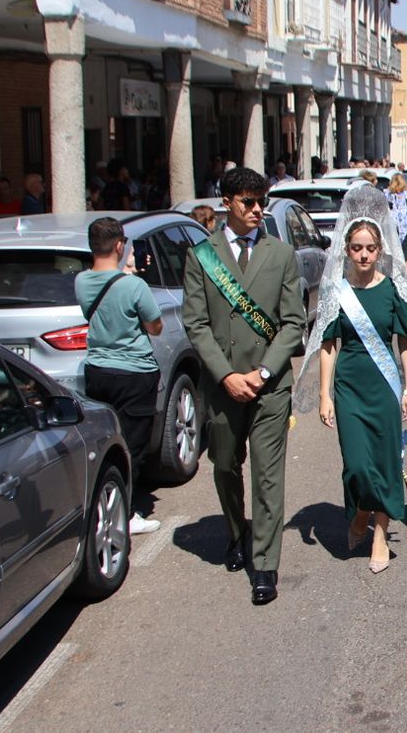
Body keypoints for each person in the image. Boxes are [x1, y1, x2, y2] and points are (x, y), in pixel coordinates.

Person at [181, 167, 308, 606]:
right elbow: (195, 324)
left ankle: (266, 565)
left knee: (268, 477)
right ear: (227, 203)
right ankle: (237, 530)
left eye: (261, 202)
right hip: (224, 384)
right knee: (224, 466)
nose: (257, 211)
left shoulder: (281, 255)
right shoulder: (202, 256)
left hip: (269, 386)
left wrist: (264, 372)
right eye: (248, 203)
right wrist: (227, 375)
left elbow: (294, 323)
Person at [308, 185, 407, 574]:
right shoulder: (337, 292)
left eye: (370, 248)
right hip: (350, 385)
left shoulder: (391, 290)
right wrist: (323, 394)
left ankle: (378, 535)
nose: (364, 255)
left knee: (386, 461)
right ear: (346, 249)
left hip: (384, 385)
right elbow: (328, 345)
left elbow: (405, 340)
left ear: (380, 250)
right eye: (356, 248)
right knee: (357, 463)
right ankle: (359, 512)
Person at [76, 217, 164, 536]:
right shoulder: (134, 286)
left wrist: (126, 273)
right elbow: (155, 326)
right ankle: (127, 513)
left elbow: (105, 294)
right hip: (134, 373)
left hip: (98, 370)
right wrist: (133, 277)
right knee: (133, 446)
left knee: (105, 443)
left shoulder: (81, 282)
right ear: (119, 245)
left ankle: (106, 505)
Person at [385, 172, 407, 244]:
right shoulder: (406, 193)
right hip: (404, 219)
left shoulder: (388, 193)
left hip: (393, 217)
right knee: (404, 238)